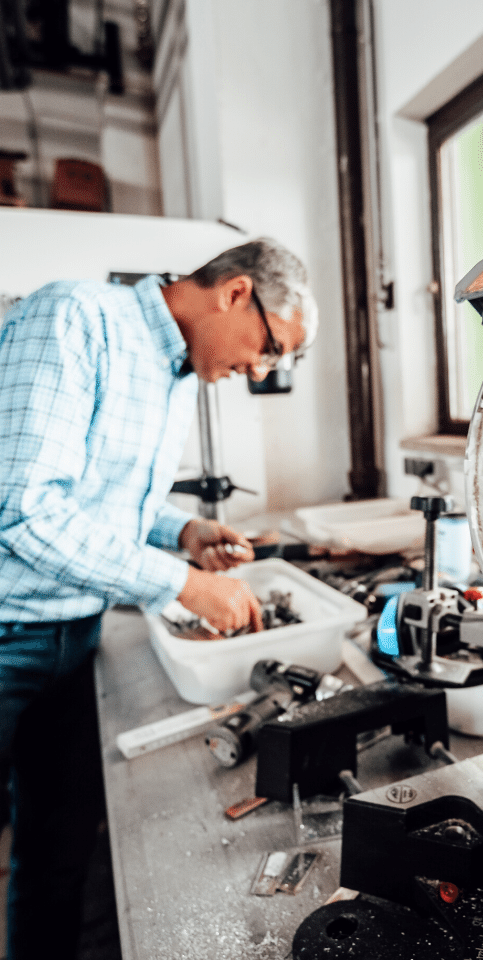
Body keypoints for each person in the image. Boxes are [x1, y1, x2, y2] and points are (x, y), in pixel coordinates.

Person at [0, 237, 317, 959]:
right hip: (6, 633)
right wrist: (183, 583)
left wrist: (186, 531)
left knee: (56, 851)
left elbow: (98, 502)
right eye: (270, 346)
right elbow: (24, 510)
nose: (260, 368)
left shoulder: (176, 370)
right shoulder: (76, 319)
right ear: (235, 293)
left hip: (72, 638)